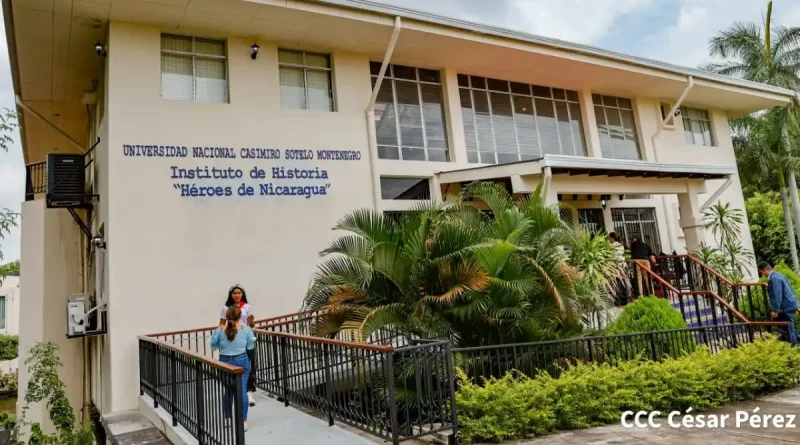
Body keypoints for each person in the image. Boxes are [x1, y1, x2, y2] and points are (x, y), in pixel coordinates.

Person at [211, 306, 255, 431]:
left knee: (228, 390)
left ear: (226, 316)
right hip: (242, 360)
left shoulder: (220, 330)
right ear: (240, 316)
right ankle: (243, 420)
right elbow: (251, 346)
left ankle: (227, 418)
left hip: (225, 361)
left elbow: (213, 345)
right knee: (241, 390)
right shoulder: (245, 329)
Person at [219, 286, 257, 407]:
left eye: (239, 293)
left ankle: (249, 391)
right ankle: (234, 390)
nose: (236, 295)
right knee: (233, 366)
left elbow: (251, 322)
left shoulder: (246, 307)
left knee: (248, 365)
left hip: (244, 338)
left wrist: (250, 324)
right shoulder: (226, 308)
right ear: (231, 295)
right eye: (234, 293)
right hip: (231, 339)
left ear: (242, 294)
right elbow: (221, 324)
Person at [759, 262, 799, 346]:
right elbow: (790, 290)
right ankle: (795, 344)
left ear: (765, 270)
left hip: (785, 307)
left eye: (761, 272)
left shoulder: (774, 279)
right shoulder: (779, 275)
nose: (762, 274)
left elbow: (777, 295)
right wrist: (797, 305)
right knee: (788, 327)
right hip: (791, 304)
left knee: (788, 329)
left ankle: (794, 350)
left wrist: (775, 310)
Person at [609, 232, 629, 305]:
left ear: (612, 238)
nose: (609, 240)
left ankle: (618, 301)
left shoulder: (611, 246)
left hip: (616, 265)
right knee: (623, 282)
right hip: (623, 265)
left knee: (616, 283)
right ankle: (624, 300)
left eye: (609, 238)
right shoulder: (621, 245)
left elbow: (611, 256)